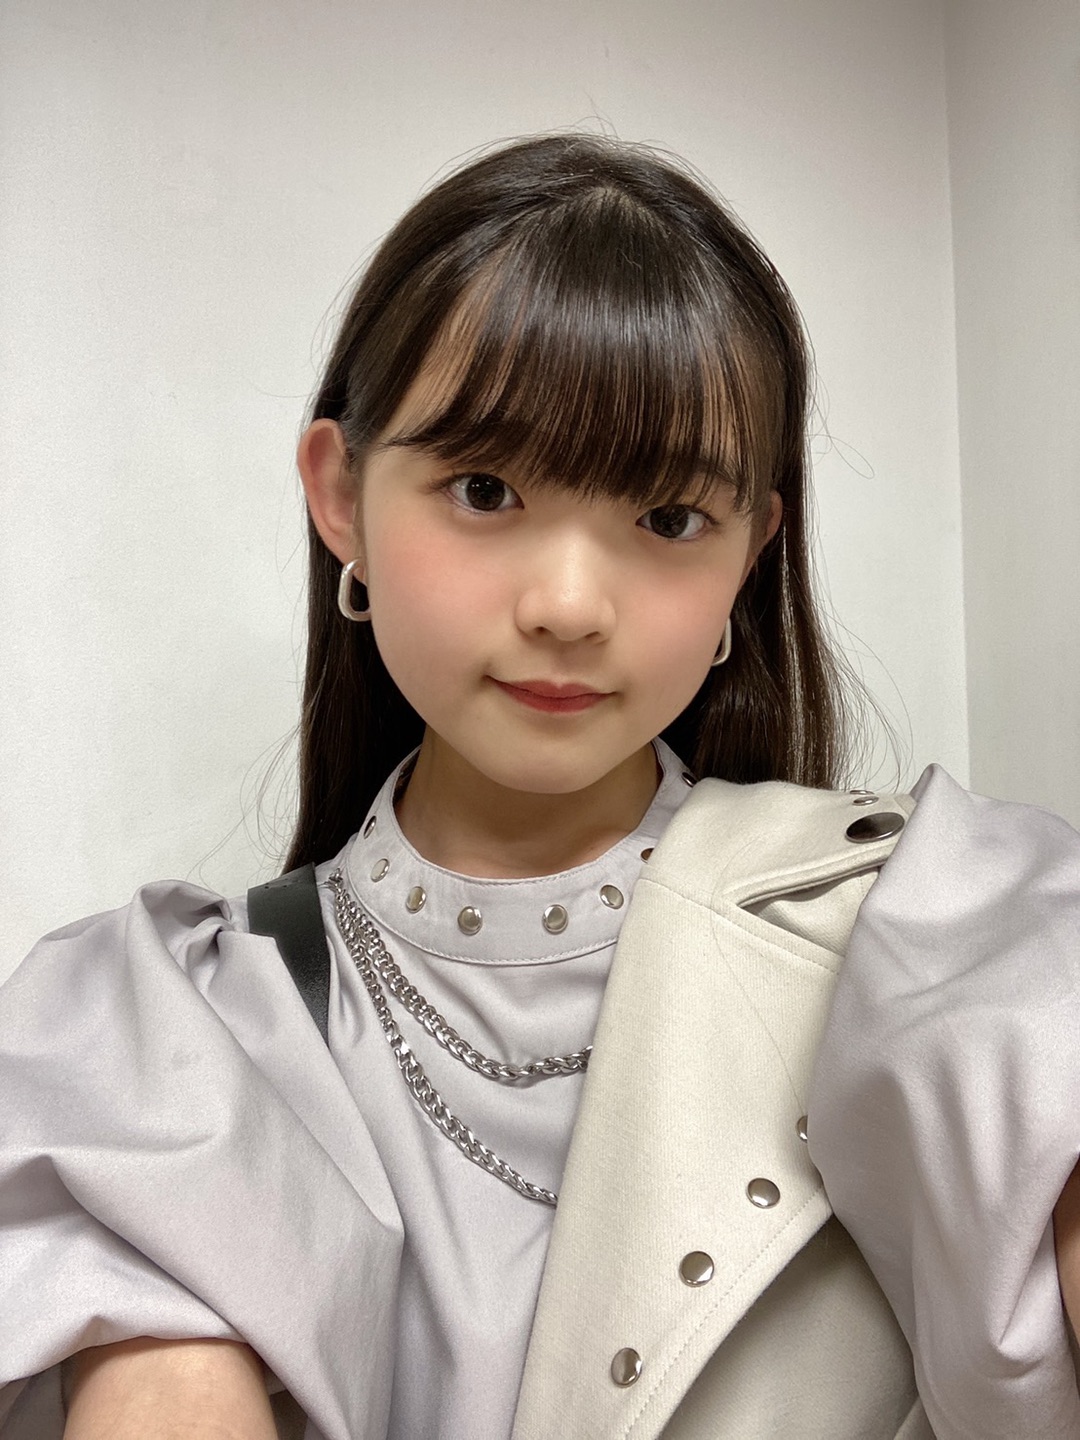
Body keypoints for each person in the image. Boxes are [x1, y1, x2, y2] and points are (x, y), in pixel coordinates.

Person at [1, 132, 1078, 1440]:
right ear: (340, 496)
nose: (569, 605)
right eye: (485, 488)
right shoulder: (164, 1038)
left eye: (669, 518)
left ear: (751, 552)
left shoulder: (940, 937)